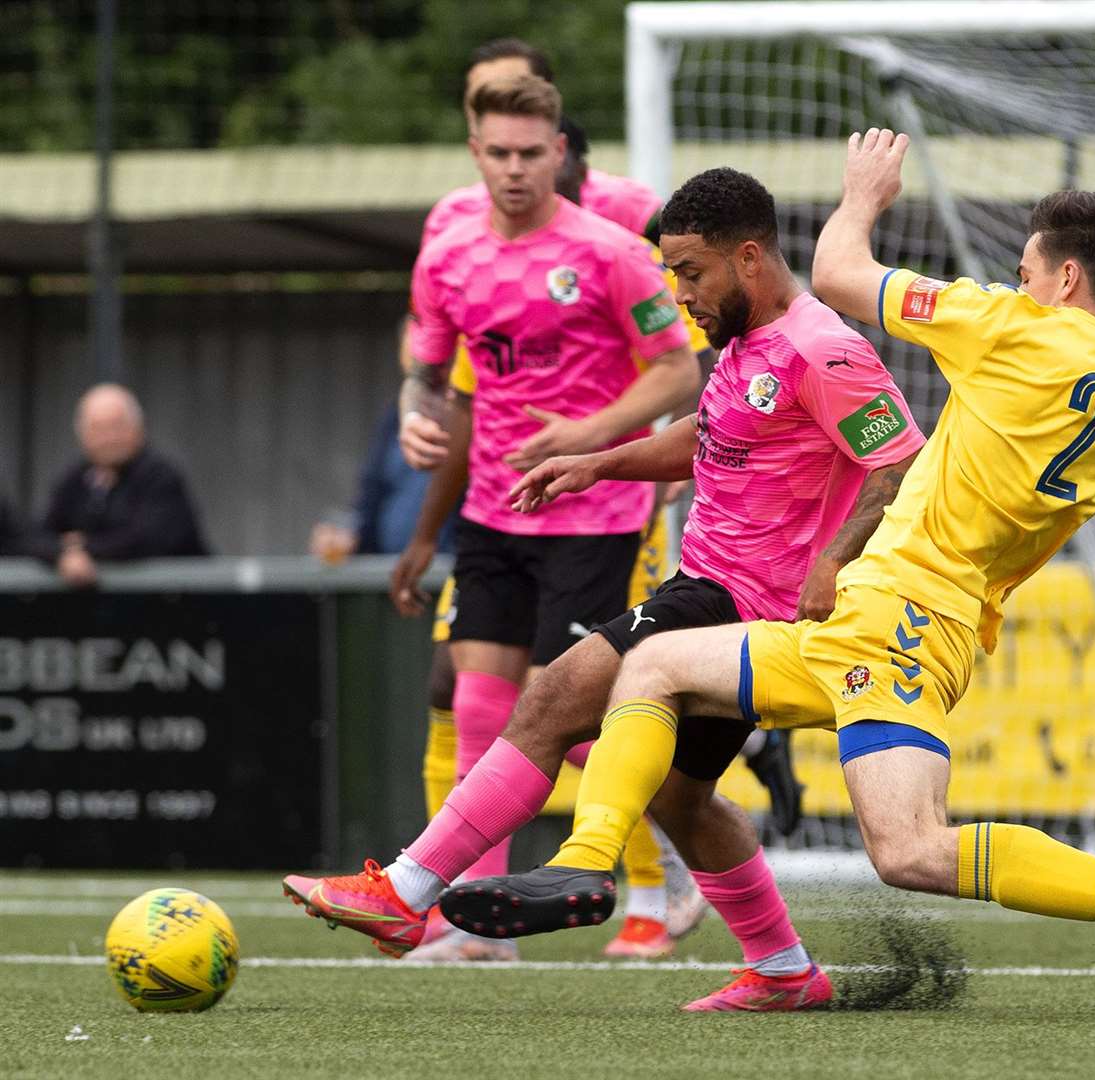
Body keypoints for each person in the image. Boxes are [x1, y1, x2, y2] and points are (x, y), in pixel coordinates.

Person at [440, 130, 1095, 1024]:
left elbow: (843, 275)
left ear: (1063, 279)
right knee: (737, 727)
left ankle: (589, 861)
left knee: (695, 698)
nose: (1020, 281)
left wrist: (861, 199)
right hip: (928, 638)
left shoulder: (1008, 328)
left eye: (1029, 268)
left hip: (893, 618)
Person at [286, 165, 925, 1012]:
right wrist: (598, 462)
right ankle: (784, 971)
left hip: (739, 603)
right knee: (681, 798)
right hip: (713, 590)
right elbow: (715, 430)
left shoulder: (824, 346)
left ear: (748, 259)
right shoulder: (746, 343)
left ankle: (407, 892)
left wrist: (835, 559)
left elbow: (902, 457)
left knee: (552, 694)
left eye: (691, 273)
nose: (681, 293)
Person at [297, 75, 701, 963]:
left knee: (590, 726)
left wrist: (590, 434)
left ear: (559, 152)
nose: (516, 169)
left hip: (594, 512)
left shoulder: (609, 251)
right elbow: (431, 375)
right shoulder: (446, 256)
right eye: (499, 153)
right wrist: (414, 409)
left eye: (532, 153)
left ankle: (680, 848)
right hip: (491, 513)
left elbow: (678, 372)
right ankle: (477, 927)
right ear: (474, 152)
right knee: (479, 708)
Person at [38, 384, 208, 587]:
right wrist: (62, 555)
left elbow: (151, 539)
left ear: (139, 428)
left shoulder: (160, 477)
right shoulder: (74, 480)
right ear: (81, 434)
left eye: (116, 426)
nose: (108, 438)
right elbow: (36, 536)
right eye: (97, 428)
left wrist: (84, 547)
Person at [309, 399, 460, 564]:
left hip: (449, 567)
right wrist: (348, 532)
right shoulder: (398, 416)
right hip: (387, 569)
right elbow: (370, 496)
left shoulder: (471, 414)